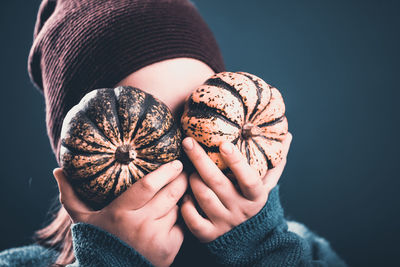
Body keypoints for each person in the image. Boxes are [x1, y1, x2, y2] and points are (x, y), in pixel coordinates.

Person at [0, 0, 347, 266]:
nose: (186, 152)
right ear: (82, 156)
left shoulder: (303, 250)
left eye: (205, 118)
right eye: (146, 130)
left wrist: (259, 249)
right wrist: (109, 259)